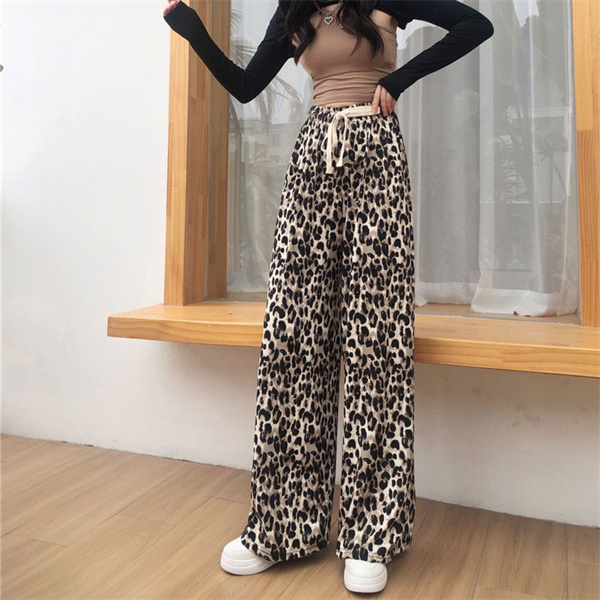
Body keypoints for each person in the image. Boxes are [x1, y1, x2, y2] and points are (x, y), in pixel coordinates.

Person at [163, 0, 494, 593]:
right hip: (313, 159)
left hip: (376, 160)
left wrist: (398, 79)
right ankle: (280, 524)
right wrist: (194, 32)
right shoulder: (294, 10)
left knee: (375, 340)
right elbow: (246, 86)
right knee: (291, 337)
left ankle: (371, 533)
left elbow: (476, 24)